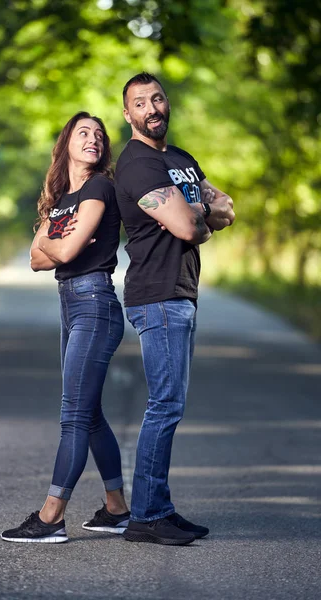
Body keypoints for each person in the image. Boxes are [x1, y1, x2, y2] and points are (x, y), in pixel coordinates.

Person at [115, 73, 235, 546]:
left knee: (171, 406)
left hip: (182, 292)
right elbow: (192, 224)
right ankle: (145, 516)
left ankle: (158, 507)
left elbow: (226, 206)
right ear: (128, 115)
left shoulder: (182, 160)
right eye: (140, 102)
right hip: (158, 294)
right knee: (164, 406)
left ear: (167, 103)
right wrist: (199, 217)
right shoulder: (137, 165)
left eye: (157, 98)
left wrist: (196, 216)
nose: (152, 107)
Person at [1, 112, 130, 543]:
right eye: (83, 132)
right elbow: (36, 258)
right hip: (69, 303)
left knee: (73, 415)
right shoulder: (62, 198)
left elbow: (65, 248)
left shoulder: (99, 188)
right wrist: (59, 246)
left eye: (99, 134)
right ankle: (117, 509)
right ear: (66, 144)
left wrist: (57, 245)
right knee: (89, 414)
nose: (93, 138)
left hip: (94, 303)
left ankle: (51, 516)